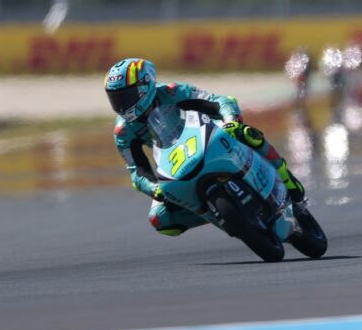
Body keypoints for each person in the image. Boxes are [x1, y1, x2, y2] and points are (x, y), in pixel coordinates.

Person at [105, 58, 306, 236]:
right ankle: (218, 214)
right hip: (175, 162)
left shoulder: (173, 92)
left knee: (245, 133)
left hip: (208, 135)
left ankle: (287, 180)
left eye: (126, 96)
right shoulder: (123, 131)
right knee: (160, 219)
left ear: (146, 85)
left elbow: (219, 101)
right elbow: (137, 172)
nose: (122, 104)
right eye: (116, 99)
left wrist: (231, 121)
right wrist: (153, 188)